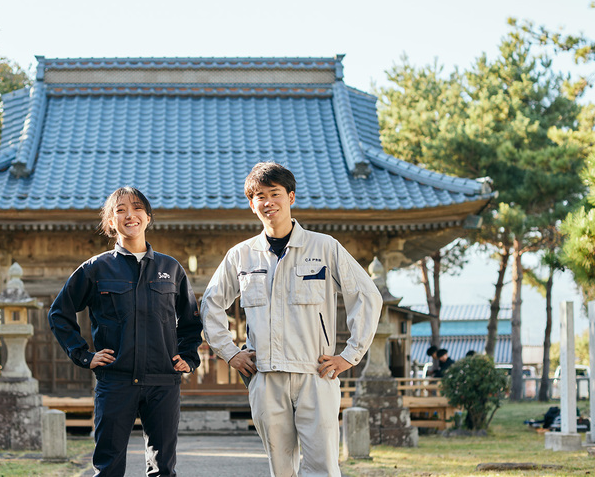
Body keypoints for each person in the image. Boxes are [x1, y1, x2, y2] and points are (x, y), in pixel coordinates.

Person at [200, 162, 383, 477]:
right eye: (259, 196)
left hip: (316, 374)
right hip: (266, 377)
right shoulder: (241, 256)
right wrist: (229, 352)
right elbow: (211, 303)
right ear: (251, 204)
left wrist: (349, 355)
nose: (268, 202)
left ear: (291, 197)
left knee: (323, 467)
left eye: (275, 193)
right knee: (281, 468)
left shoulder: (324, 247)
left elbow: (367, 295)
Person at [48, 186, 203, 477]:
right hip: (115, 381)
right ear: (110, 222)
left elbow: (191, 321)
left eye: (137, 208)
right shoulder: (96, 269)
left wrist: (188, 357)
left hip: (163, 383)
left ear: (147, 217)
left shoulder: (171, 269)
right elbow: (59, 313)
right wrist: (83, 355)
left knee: (164, 469)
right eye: (120, 210)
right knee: (108, 468)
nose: (129, 215)